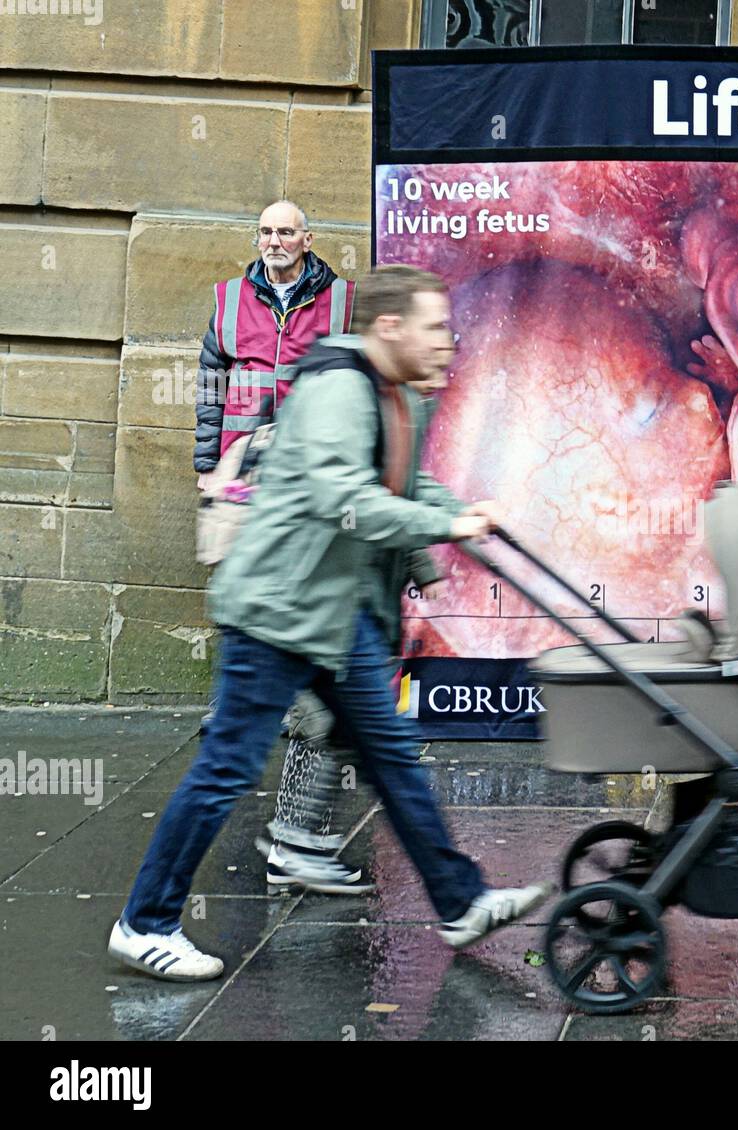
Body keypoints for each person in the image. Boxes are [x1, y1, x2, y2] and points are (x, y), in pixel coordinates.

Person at [110, 265, 549, 981]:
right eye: (434, 327)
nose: (448, 341)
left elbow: (404, 488)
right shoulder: (339, 388)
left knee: (392, 756)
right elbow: (345, 498)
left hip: (335, 612)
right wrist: (444, 522)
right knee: (226, 768)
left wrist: (453, 529)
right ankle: (145, 922)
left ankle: (460, 899)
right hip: (277, 610)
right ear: (389, 328)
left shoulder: (399, 393)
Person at [192, 199, 440, 892]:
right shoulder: (227, 300)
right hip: (247, 482)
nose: (274, 241)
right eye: (265, 231)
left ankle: (286, 797)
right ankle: (285, 824)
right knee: (274, 641)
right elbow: (210, 385)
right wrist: (209, 461)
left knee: (314, 683)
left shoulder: (339, 306)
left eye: (286, 231)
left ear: (307, 239)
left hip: (301, 489)